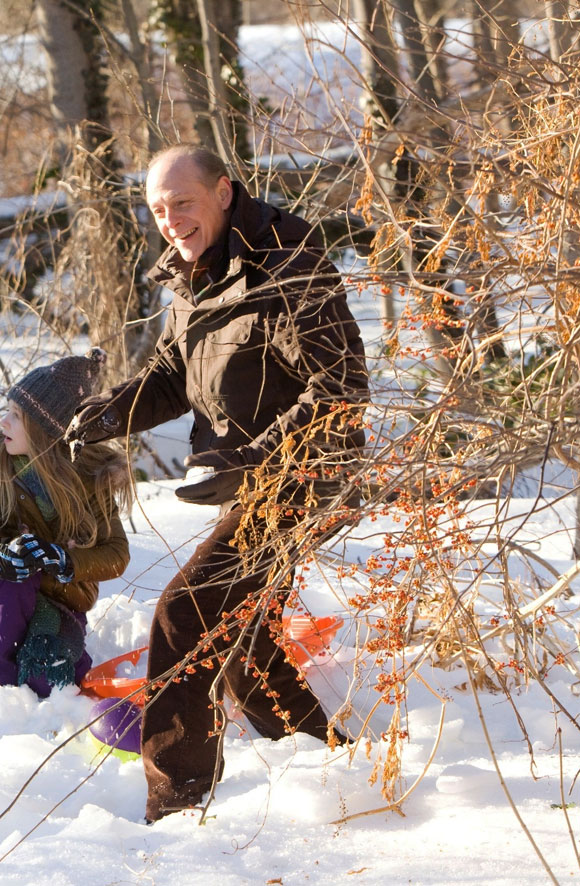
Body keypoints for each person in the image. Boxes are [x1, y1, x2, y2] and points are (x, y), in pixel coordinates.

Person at [66, 144, 369, 822]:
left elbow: (343, 387)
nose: (170, 220)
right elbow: (171, 375)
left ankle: (174, 806)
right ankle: (328, 759)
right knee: (242, 630)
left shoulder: (289, 265)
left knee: (187, 615)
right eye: (158, 208)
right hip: (254, 479)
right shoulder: (192, 278)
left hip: (306, 474)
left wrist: (258, 460)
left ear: (224, 193)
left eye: (184, 202)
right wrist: (109, 414)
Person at [0, 349, 132, 696]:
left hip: (60, 602)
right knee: (8, 592)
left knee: (53, 678)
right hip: (1, 591)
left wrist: (62, 560)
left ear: (47, 431)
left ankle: (42, 696)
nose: (3, 423)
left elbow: (117, 554)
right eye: (8, 412)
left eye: (16, 415)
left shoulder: (90, 480)